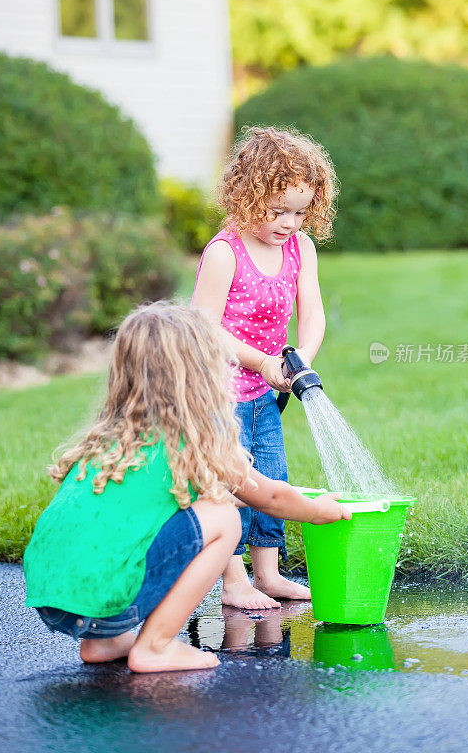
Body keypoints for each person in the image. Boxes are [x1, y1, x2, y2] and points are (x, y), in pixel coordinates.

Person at [23, 301, 350, 673]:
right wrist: (318, 509)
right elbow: (270, 496)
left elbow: (219, 496)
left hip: (51, 598)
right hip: (102, 601)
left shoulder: (112, 441)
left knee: (197, 513)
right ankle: (156, 646)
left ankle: (104, 643)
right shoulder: (191, 441)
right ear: (201, 374)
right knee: (224, 520)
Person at [193, 126, 338, 610]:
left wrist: (301, 362)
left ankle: (268, 575)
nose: (289, 223)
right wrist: (260, 360)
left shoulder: (300, 249)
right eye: (278, 211)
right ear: (247, 194)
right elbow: (203, 327)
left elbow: (312, 312)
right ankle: (233, 582)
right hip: (217, 395)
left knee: (271, 478)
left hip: (263, 394)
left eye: (300, 212)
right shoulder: (224, 252)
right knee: (232, 486)